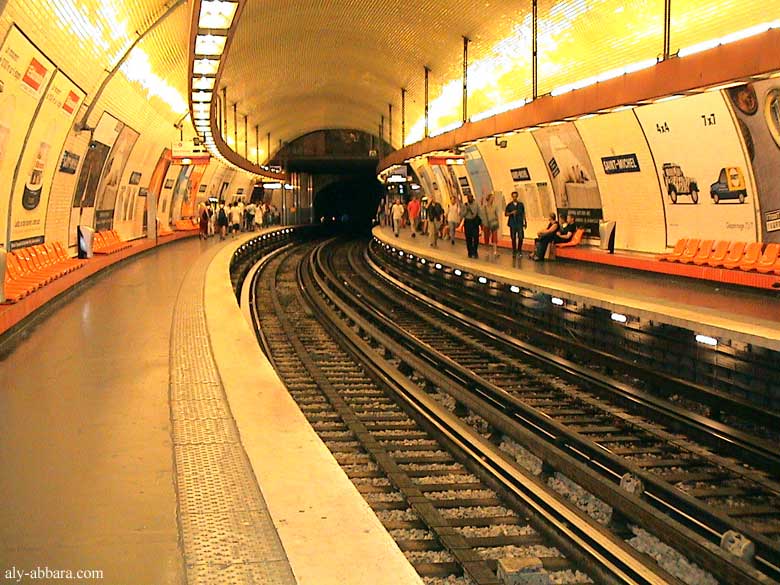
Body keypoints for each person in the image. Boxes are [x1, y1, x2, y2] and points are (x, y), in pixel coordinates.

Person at [505, 191, 527, 258]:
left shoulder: (521, 204)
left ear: (517, 196)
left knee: (520, 237)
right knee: (513, 237)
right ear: (512, 197)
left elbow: (523, 213)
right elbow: (506, 214)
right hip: (512, 224)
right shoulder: (509, 205)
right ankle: (514, 251)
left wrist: (525, 222)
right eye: (513, 196)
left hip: (519, 223)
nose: (514, 198)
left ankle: (519, 250)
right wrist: (511, 213)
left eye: (515, 196)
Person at [480, 192, 501, 259]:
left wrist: (498, 223)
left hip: (494, 224)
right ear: (488, 199)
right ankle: (487, 251)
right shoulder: (484, 207)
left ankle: (495, 251)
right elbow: (482, 215)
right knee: (486, 238)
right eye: (492, 198)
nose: (493, 199)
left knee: (494, 238)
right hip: (486, 224)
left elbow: (496, 215)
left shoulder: (495, 207)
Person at [462, 193, 481, 258]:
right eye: (468, 198)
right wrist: (466, 210)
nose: (469, 199)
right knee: (468, 238)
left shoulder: (476, 204)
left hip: (474, 222)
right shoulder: (465, 205)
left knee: (476, 237)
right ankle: (469, 252)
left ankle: (475, 251)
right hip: (467, 222)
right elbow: (462, 214)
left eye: (470, 197)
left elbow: (475, 214)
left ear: (472, 198)